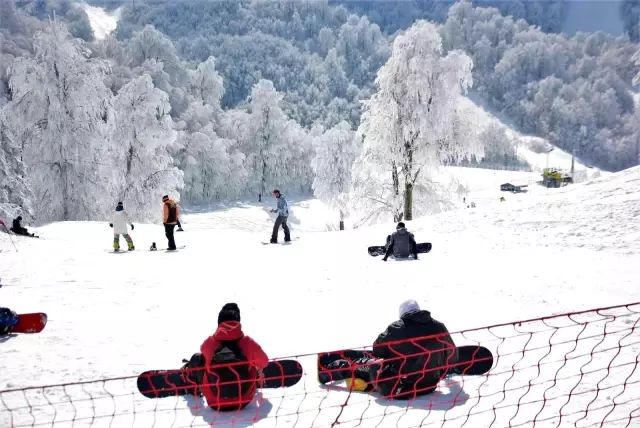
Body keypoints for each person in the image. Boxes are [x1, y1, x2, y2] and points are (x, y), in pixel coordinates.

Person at [318, 299, 458, 400]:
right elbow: (453, 354)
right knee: (386, 360)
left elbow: (378, 350)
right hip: (429, 385)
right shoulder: (439, 326)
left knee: (367, 364)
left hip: (399, 386)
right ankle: (363, 379)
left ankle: (327, 370)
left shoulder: (397, 328)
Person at [181, 303, 269, 411]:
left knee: (197, 358)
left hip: (215, 402)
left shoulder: (210, 342)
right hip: (243, 400)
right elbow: (264, 361)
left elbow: (203, 352)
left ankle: (191, 384)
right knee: (252, 361)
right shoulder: (247, 342)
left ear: (219, 322)